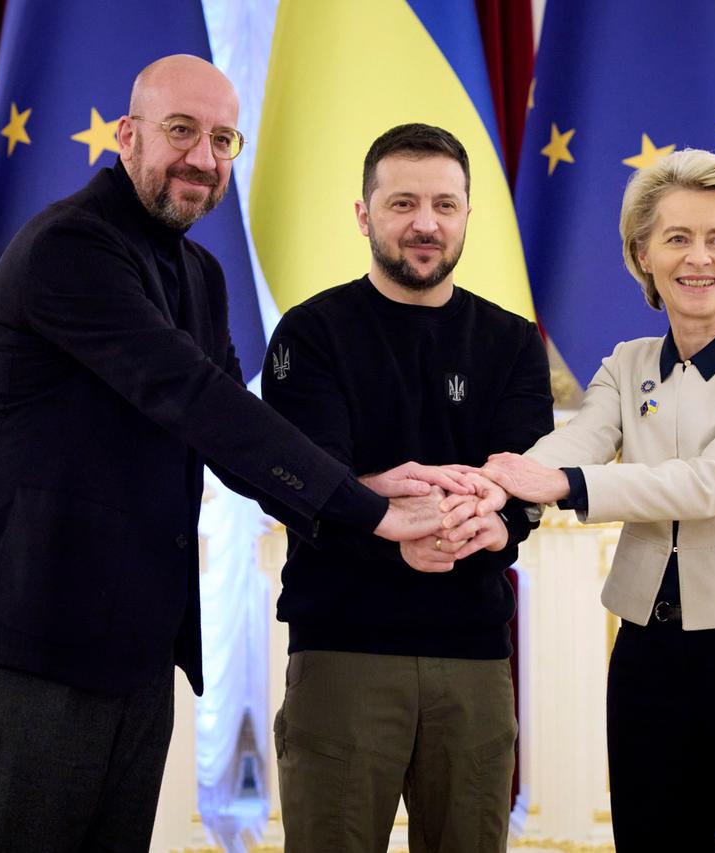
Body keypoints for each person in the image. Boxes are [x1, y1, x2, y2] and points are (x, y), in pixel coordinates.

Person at [0, 56, 458, 853]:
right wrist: (374, 514)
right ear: (127, 135)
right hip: (35, 641)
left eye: (223, 139)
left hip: (138, 648)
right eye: (181, 131)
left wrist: (355, 483)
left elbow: (233, 432)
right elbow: (196, 399)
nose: (203, 158)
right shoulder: (69, 248)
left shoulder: (199, 270)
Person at [478, 149, 715, 851]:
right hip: (650, 657)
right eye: (676, 237)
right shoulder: (627, 362)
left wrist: (564, 485)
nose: (697, 258)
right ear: (642, 253)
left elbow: (709, 483)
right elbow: (578, 442)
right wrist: (499, 479)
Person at [261, 123, 553, 853]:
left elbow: (523, 481)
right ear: (365, 215)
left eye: (445, 205)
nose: (426, 222)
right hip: (343, 651)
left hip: (476, 656)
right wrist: (383, 508)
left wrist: (497, 521)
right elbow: (294, 480)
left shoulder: (514, 341)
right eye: (402, 203)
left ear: (466, 216)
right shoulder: (310, 333)